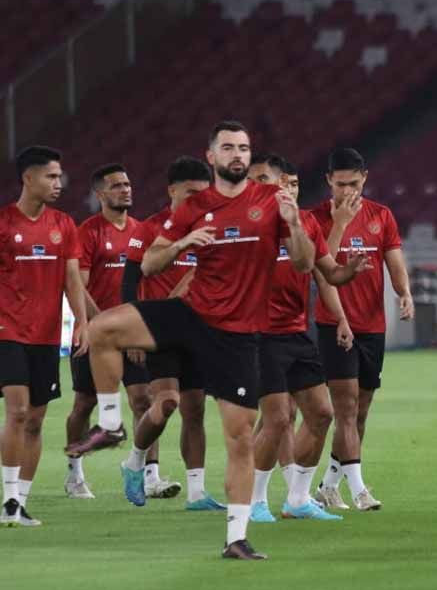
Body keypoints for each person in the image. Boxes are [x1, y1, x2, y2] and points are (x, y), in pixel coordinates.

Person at [70, 120, 315, 559]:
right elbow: (149, 265)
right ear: (212, 157)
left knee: (238, 437)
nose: (237, 154)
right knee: (102, 328)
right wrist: (183, 241)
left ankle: (235, 537)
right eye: (228, 148)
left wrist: (295, 225)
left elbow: (302, 264)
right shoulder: (194, 206)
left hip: (239, 334)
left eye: (243, 147)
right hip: (190, 313)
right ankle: (111, 424)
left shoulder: (271, 202)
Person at [251, 154, 365, 522]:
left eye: (291, 183)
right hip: (259, 334)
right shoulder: (249, 225)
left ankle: (298, 499)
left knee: (321, 413)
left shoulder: (308, 223)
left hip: (296, 333)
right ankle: (253, 501)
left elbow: (324, 271)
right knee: (277, 419)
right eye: (273, 181)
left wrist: (350, 270)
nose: (283, 189)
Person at [115, 156, 223, 510]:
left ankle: (196, 493)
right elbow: (130, 282)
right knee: (168, 402)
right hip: (159, 329)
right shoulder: (150, 229)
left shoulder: (213, 227)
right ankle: (134, 460)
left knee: (194, 410)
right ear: (171, 191)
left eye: (203, 194)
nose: (198, 201)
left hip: (200, 329)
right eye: (191, 193)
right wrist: (132, 331)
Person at [309, 148, 412, 512]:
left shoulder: (381, 216)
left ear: (365, 178)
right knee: (347, 408)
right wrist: (339, 221)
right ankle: (359, 488)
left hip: (372, 326)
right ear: (328, 182)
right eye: (340, 185)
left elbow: (394, 260)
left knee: (361, 411)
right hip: (334, 324)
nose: (347, 191)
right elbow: (322, 269)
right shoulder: (316, 219)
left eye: (354, 183)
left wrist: (405, 293)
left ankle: (328, 486)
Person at [63, 165, 173, 499]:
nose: (125, 190)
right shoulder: (88, 232)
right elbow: (79, 287)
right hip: (97, 335)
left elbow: (147, 282)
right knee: (85, 403)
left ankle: (149, 475)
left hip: (133, 331)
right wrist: (103, 324)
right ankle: (74, 473)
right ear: (100, 194)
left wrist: (135, 327)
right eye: (116, 186)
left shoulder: (142, 231)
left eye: (127, 184)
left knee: (145, 399)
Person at [0, 146, 90, 527]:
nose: (58, 183)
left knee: (36, 420)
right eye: (51, 176)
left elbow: (72, 278)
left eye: (59, 176)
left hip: (47, 334)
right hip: (7, 329)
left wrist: (83, 323)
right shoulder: (4, 223)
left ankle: (20, 502)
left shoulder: (64, 225)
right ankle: (6, 501)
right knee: (18, 411)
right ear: (28, 178)